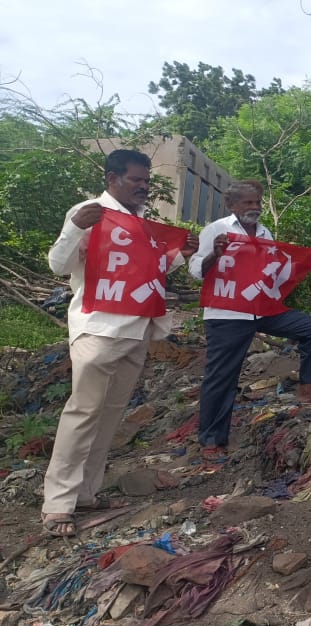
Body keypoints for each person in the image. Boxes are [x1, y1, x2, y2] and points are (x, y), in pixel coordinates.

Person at [41, 149, 197, 536]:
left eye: (147, 181)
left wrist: (180, 255)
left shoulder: (141, 221)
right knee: (83, 414)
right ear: (112, 179)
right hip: (97, 329)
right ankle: (58, 503)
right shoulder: (89, 211)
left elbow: (146, 270)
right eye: (136, 181)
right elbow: (59, 265)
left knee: (109, 416)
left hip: (136, 332)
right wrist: (75, 228)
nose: (144, 187)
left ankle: (86, 493)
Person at [189, 181, 311, 458]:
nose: (254, 208)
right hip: (227, 313)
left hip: (260, 308)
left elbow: (273, 269)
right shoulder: (217, 230)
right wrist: (214, 256)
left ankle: (306, 387)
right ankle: (211, 441)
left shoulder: (264, 232)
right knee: (222, 377)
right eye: (247, 203)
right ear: (231, 205)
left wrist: (308, 261)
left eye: (257, 202)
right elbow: (195, 270)